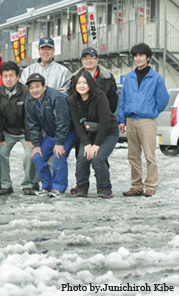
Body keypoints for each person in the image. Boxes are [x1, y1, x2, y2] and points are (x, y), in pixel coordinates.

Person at [118, 43, 169, 197]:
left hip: (147, 120)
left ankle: (151, 186)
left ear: (148, 58)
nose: (138, 58)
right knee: (133, 155)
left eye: (141, 55)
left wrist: (153, 111)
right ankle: (136, 186)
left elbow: (163, 99)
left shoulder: (156, 78)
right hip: (131, 120)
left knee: (149, 155)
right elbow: (124, 99)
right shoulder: (129, 77)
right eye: (136, 55)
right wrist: (122, 120)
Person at [69, 46, 118, 194]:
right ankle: (82, 186)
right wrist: (87, 143)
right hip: (88, 132)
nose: (81, 86)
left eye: (85, 83)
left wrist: (95, 145)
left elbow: (105, 121)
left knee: (97, 158)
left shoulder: (100, 97)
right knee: (83, 157)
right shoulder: (73, 100)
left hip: (107, 131)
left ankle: (104, 187)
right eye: (79, 83)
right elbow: (77, 124)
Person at [24, 73, 77, 197]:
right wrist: (37, 145)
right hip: (50, 133)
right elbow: (32, 125)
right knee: (37, 157)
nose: (34, 90)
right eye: (31, 88)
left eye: (37, 86)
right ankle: (47, 186)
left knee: (59, 155)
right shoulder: (29, 100)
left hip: (67, 132)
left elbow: (63, 122)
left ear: (44, 86)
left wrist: (59, 143)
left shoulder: (57, 97)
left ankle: (59, 188)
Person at [0, 61, 38, 195]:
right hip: (8, 131)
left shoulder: (25, 92)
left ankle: (28, 184)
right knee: (1, 153)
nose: (8, 79)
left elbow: (29, 117)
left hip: (25, 131)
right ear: (1, 77)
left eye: (11, 75)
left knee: (29, 155)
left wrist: (29, 138)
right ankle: (5, 184)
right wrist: (0, 138)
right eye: (5, 76)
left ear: (17, 77)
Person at [75, 47, 118, 112]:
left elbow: (113, 102)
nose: (88, 60)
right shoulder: (75, 78)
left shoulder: (107, 78)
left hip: (102, 118)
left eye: (91, 57)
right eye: (85, 58)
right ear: (82, 60)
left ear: (97, 60)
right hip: (80, 119)